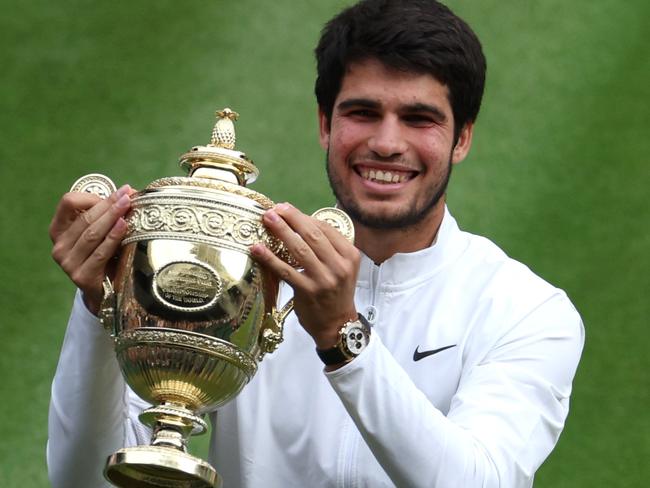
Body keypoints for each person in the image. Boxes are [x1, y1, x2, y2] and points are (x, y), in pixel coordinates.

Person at [47, 0, 584, 486]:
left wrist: (341, 337)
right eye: (363, 112)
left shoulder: (526, 310)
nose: (387, 143)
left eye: (419, 119)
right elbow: (85, 481)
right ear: (326, 123)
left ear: (462, 137)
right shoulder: (243, 270)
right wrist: (104, 307)